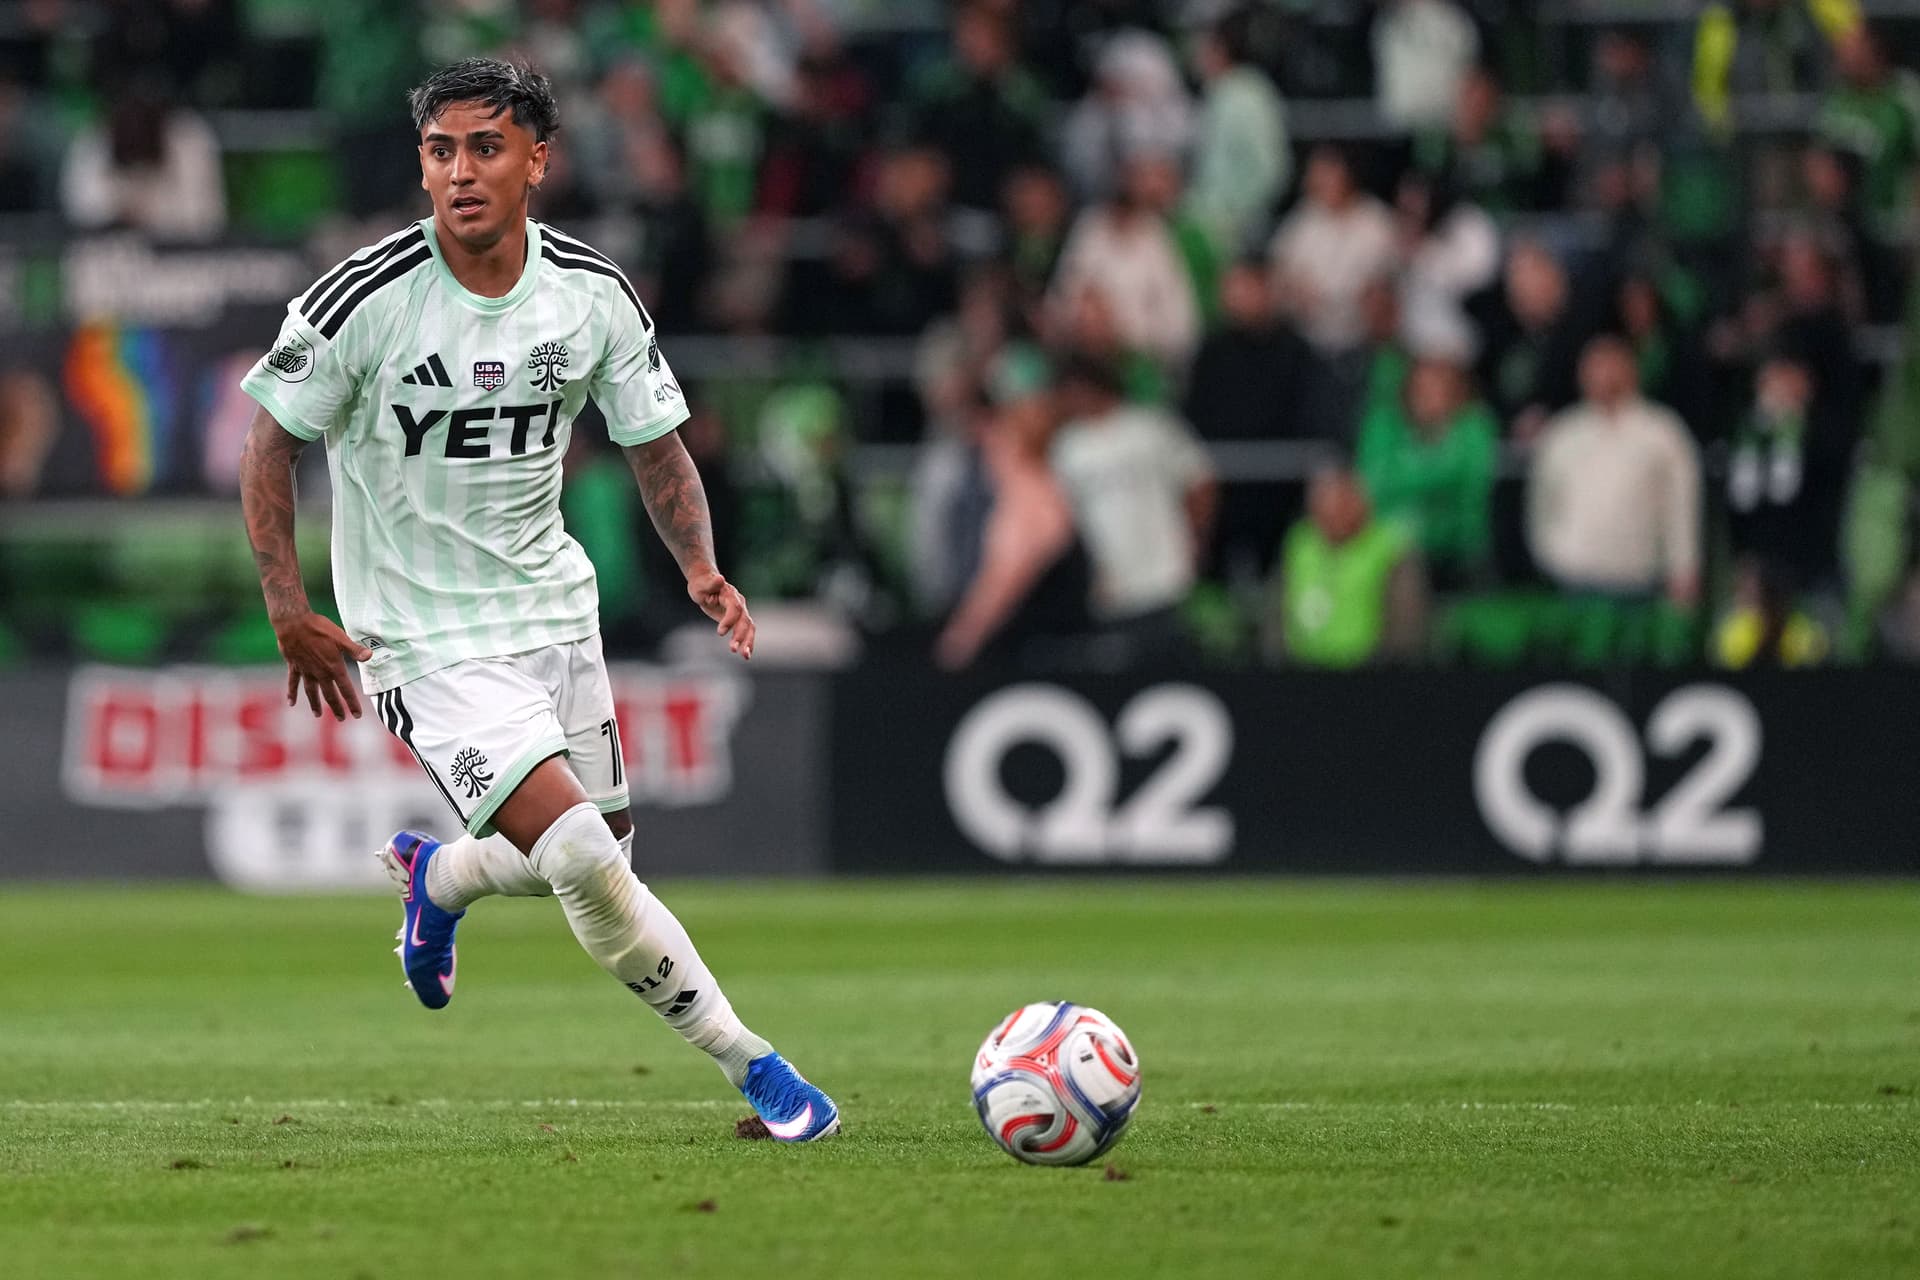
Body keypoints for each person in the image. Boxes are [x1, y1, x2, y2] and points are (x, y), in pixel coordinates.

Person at [235, 59, 838, 1142]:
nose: (459, 172)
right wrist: (287, 601)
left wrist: (699, 565)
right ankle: (760, 1068)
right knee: (579, 857)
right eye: (440, 151)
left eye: (484, 148)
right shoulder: (363, 297)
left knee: (602, 840)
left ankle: (441, 876)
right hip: (421, 637)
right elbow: (268, 443)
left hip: (555, 613)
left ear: (537, 161)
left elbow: (657, 446)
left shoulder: (590, 293)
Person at [1049, 354, 1217, 664]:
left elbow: (1200, 480)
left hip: (1167, 578)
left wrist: (1195, 538)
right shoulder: (1067, 448)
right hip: (1112, 590)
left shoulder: (1149, 427)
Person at [1526, 335, 1701, 607]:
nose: (1603, 376)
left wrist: (1684, 567)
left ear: (1631, 370)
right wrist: (1550, 556)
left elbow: (1681, 504)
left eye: (1611, 365)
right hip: (1573, 577)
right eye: (1594, 367)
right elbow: (1542, 503)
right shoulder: (1563, 433)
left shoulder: (1662, 431)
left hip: (1639, 578)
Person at [1267, 464, 1428, 668]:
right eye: (1324, 505)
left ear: (1361, 504)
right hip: (1301, 672)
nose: (1333, 513)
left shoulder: (1391, 547)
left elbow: (1406, 624)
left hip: (1369, 673)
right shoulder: (1300, 542)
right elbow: (1277, 608)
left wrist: (1387, 667)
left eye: (1342, 504)